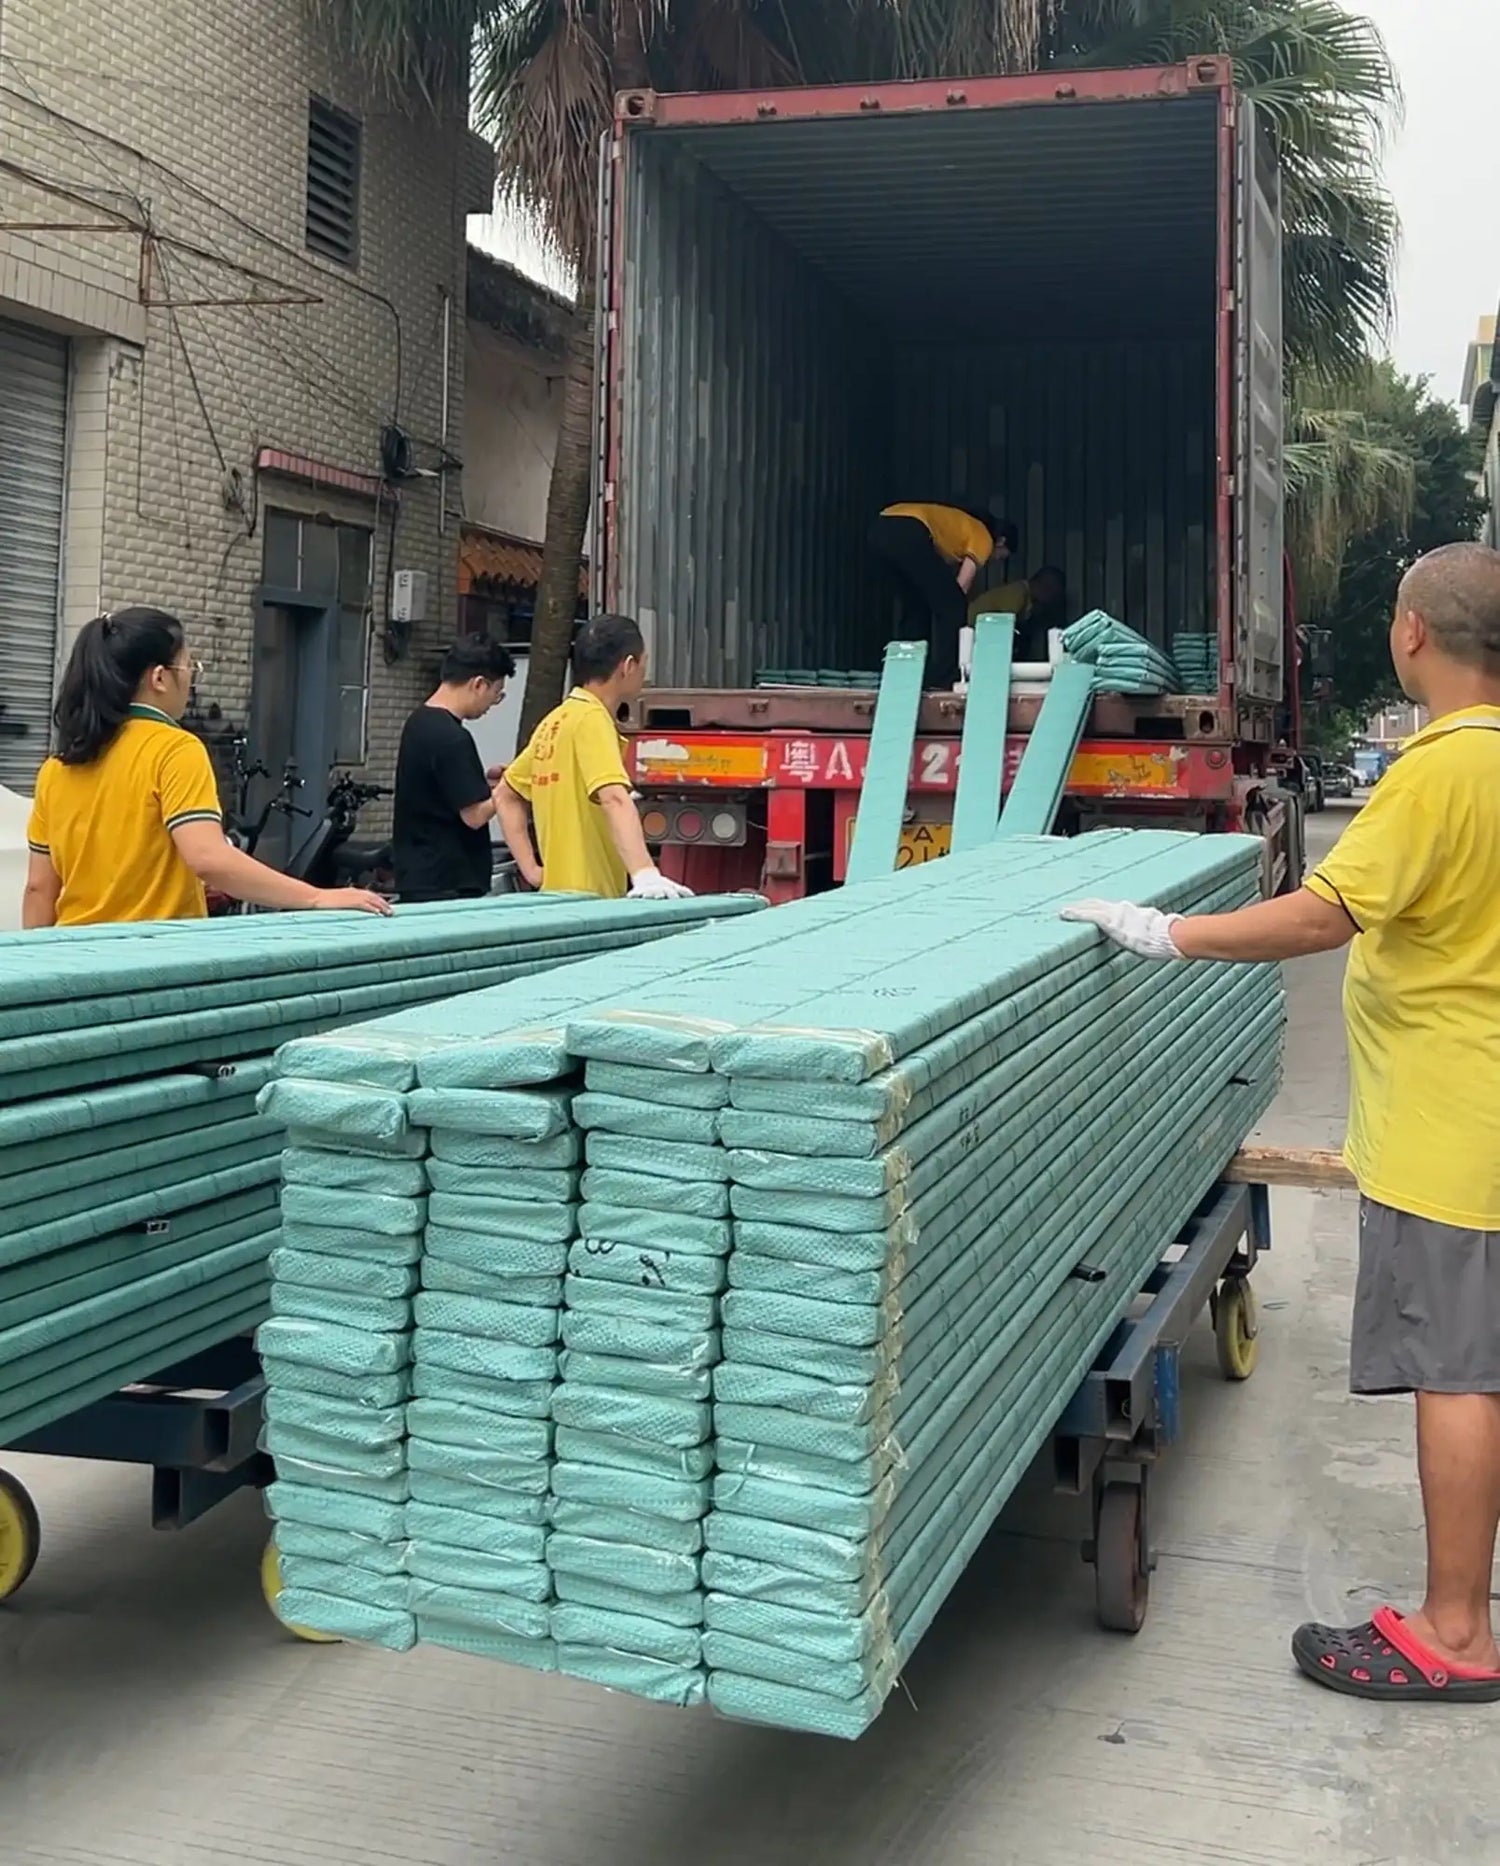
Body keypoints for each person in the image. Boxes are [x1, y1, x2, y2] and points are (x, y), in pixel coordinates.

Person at [1061, 541, 1500, 1705]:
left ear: (1411, 633)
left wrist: (1168, 937)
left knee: (1458, 1372)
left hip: (1458, 1129)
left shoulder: (1438, 770)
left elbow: (1322, 917)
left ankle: (1456, 1631)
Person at [22, 608, 391, 928]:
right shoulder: (174, 748)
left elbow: (40, 888)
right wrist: (316, 898)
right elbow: (209, 858)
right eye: (189, 665)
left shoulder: (58, 768)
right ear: (160, 678)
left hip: (74, 952)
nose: (192, 679)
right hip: (148, 962)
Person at [495, 613, 692, 901]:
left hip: (556, 896)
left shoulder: (555, 721)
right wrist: (645, 873)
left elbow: (505, 795)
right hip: (591, 901)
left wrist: (534, 871)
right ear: (627, 666)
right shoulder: (592, 719)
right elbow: (613, 797)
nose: (644, 673)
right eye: (643, 663)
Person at [392, 636, 516, 903]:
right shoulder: (452, 737)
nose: (492, 705)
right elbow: (474, 816)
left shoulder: (418, 722)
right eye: (496, 695)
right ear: (479, 684)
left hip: (419, 875)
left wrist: (489, 785)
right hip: (448, 882)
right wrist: (511, 785)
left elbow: (442, 794)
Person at [869, 504, 1017, 686]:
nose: (996, 561)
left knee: (916, 605)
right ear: (1001, 541)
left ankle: (908, 671)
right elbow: (960, 587)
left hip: (879, 528)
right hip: (910, 529)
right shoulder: (984, 537)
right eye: (1001, 556)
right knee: (954, 607)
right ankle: (944, 678)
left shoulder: (963, 527)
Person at [970, 565, 1068, 663]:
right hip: (973, 629)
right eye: (1050, 590)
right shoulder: (1018, 593)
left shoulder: (1029, 601)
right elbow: (1006, 626)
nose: (1051, 597)